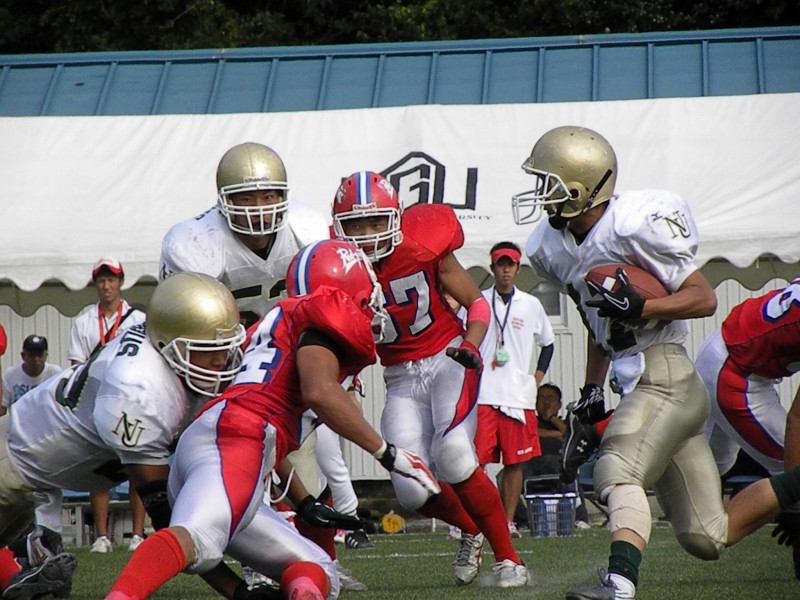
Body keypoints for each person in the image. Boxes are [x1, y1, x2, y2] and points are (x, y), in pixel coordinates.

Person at [512, 125, 800, 599]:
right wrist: (591, 390)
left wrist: (645, 306)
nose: (542, 193)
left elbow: (703, 298)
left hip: (666, 375)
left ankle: (619, 585)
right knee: (707, 535)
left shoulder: (632, 225)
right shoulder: (551, 246)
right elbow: (598, 324)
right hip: (640, 382)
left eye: (550, 183)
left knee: (616, 469)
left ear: (582, 188)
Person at [103, 240, 441, 600]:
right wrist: (389, 454)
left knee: (318, 569)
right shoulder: (323, 320)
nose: (372, 304)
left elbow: (269, 427)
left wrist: (303, 502)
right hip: (238, 438)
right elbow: (319, 392)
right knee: (198, 536)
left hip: (226, 435)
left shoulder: (279, 320)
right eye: (365, 294)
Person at [159, 141, 370, 589]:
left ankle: (314, 563)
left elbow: (333, 306)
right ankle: (261, 563)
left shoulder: (308, 230)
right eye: (247, 197)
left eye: (268, 195)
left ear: (284, 195)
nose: (259, 208)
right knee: (239, 474)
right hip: (218, 369)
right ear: (224, 200)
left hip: (283, 368)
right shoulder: (195, 244)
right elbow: (192, 328)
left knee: (304, 473)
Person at [0, 273, 263, 600]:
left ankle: (25, 561)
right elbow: (173, 526)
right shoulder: (137, 390)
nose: (222, 361)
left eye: (225, 347)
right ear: (167, 345)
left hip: (33, 467)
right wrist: (238, 592)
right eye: (207, 349)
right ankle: (26, 561)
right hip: (12, 463)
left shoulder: (162, 351)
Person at [332, 171, 531, 587]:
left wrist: (471, 344)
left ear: (396, 216)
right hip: (399, 378)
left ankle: (509, 559)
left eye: (376, 222)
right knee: (410, 490)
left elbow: (475, 302)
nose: (367, 235)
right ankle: (471, 531)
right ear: (338, 227)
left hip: (446, 358)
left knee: (455, 453)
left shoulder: (422, 242)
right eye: (356, 225)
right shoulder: (338, 270)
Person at [695, 279, 800, 578]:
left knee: (710, 466)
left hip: (726, 349)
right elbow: (797, 421)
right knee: (793, 474)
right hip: (736, 375)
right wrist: (793, 505)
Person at [473, 241, 555, 539]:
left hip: (518, 396)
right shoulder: (479, 301)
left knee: (514, 461)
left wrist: (536, 378)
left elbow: (548, 343)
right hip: (483, 393)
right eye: (501, 264)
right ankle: (478, 523)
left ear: (519, 268)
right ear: (492, 267)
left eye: (511, 265)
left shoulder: (531, 304)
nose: (505, 270)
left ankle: (506, 522)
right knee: (477, 463)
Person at [67, 257, 147, 554]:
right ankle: (102, 536)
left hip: (130, 400)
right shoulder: (84, 321)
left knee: (137, 467)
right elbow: (76, 366)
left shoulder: (138, 319)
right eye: (101, 280)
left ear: (121, 282)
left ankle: (137, 534)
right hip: (97, 401)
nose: (106, 285)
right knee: (99, 468)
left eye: (111, 279)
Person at [1, 335, 61, 416]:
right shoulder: (10, 375)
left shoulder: (55, 373)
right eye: (32, 355)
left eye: (40, 355)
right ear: (23, 356)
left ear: (46, 355)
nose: (36, 359)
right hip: (19, 421)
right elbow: (2, 407)